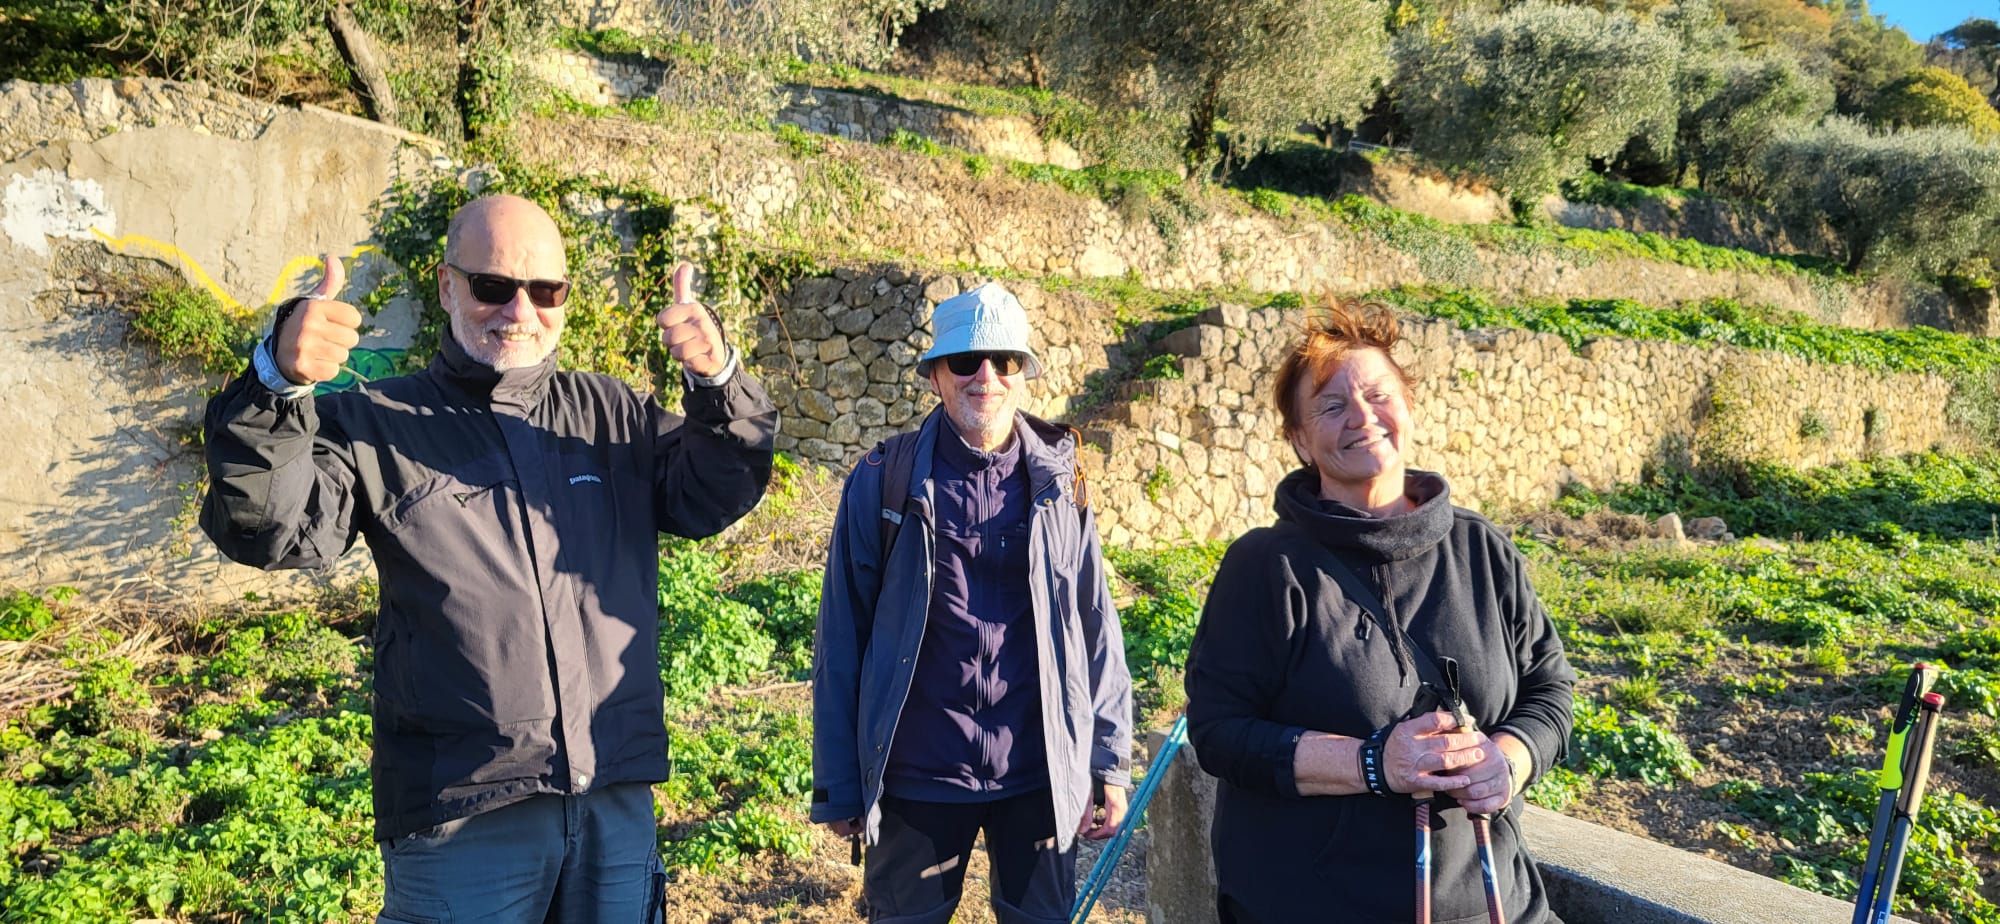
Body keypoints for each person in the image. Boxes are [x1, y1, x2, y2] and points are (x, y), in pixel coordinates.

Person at [199, 194, 778, 923]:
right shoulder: (376, 422)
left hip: (612, 793)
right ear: (447, 286)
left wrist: (719, 384)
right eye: (493, 286)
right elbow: (269, 529)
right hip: (462, 815)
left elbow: (714, 493)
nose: (519, 311)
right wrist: (276, 385)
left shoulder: (610, 414)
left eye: (545, 291)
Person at [1182, 298, 1576, 923]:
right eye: (1331, 406)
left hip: (1491, 904)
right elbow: (1219, 733)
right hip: (1309, 907)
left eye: (1377, 394)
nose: (1362, 417)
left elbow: (1549, 688)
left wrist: (1509, 758)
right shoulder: (1267, 567)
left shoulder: (1482, 549)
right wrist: (1372, 763)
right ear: (1299, 439)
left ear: (1409, 405)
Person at [810, 282, 1134, 924]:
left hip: (1040, 771)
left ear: (1022, 374)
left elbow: (1093, 622)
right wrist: (839, 782)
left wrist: (1108, 759)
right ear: (936, 376)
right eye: (965, 361)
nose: (986, 375)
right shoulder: (884, 481)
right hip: (917, 775)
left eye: (1004, 360)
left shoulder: (1060, 482)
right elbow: (841, 636)